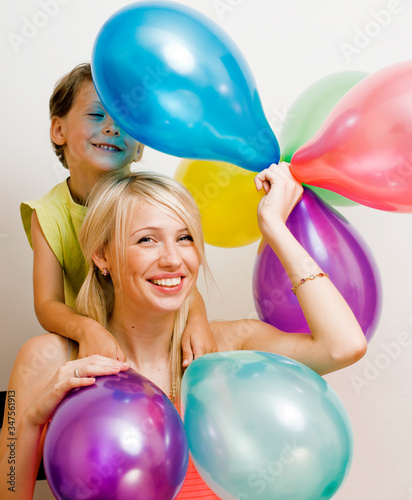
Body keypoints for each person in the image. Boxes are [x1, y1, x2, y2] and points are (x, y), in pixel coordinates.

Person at [0, 165, 367, 499]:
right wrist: (31, 419)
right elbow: (10, 492)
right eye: (147, 240)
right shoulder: (49, 359)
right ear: (102, 256)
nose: (173, 259)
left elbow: (344, 346)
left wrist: (274, 227)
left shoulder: (230, 346)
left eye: (185, 238)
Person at [20, 63, 216, 366]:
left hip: (154, 339)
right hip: (97, 348)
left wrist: (197, 320)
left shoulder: (151, 200)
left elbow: (176, 271)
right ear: (59, 130)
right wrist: (87, 329)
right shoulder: (48, 213)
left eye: (127, 120)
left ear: (140, 147)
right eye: (97, 115)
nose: (112, 127)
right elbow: (47, 303)